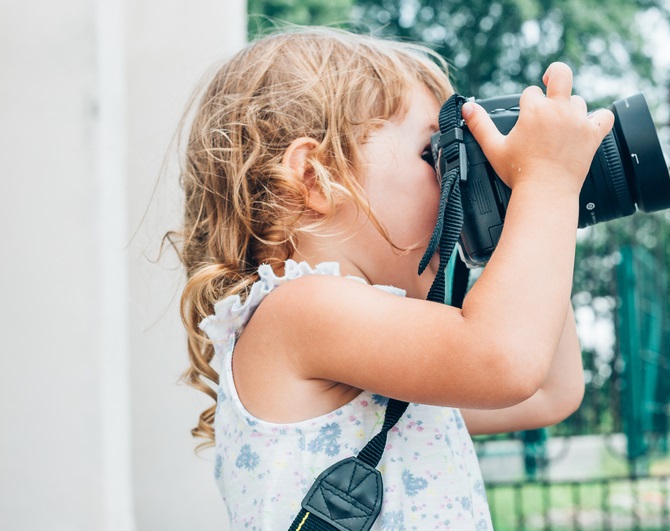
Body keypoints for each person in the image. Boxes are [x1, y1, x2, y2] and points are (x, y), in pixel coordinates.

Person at [173, 27, 614, 530]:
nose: (457, 178)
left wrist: (526, 211)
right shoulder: (301, 311)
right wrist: (548, 181)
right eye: (435, 155)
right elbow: (506, 362)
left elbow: (547, 392)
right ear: (317, 178)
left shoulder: (378, 368)